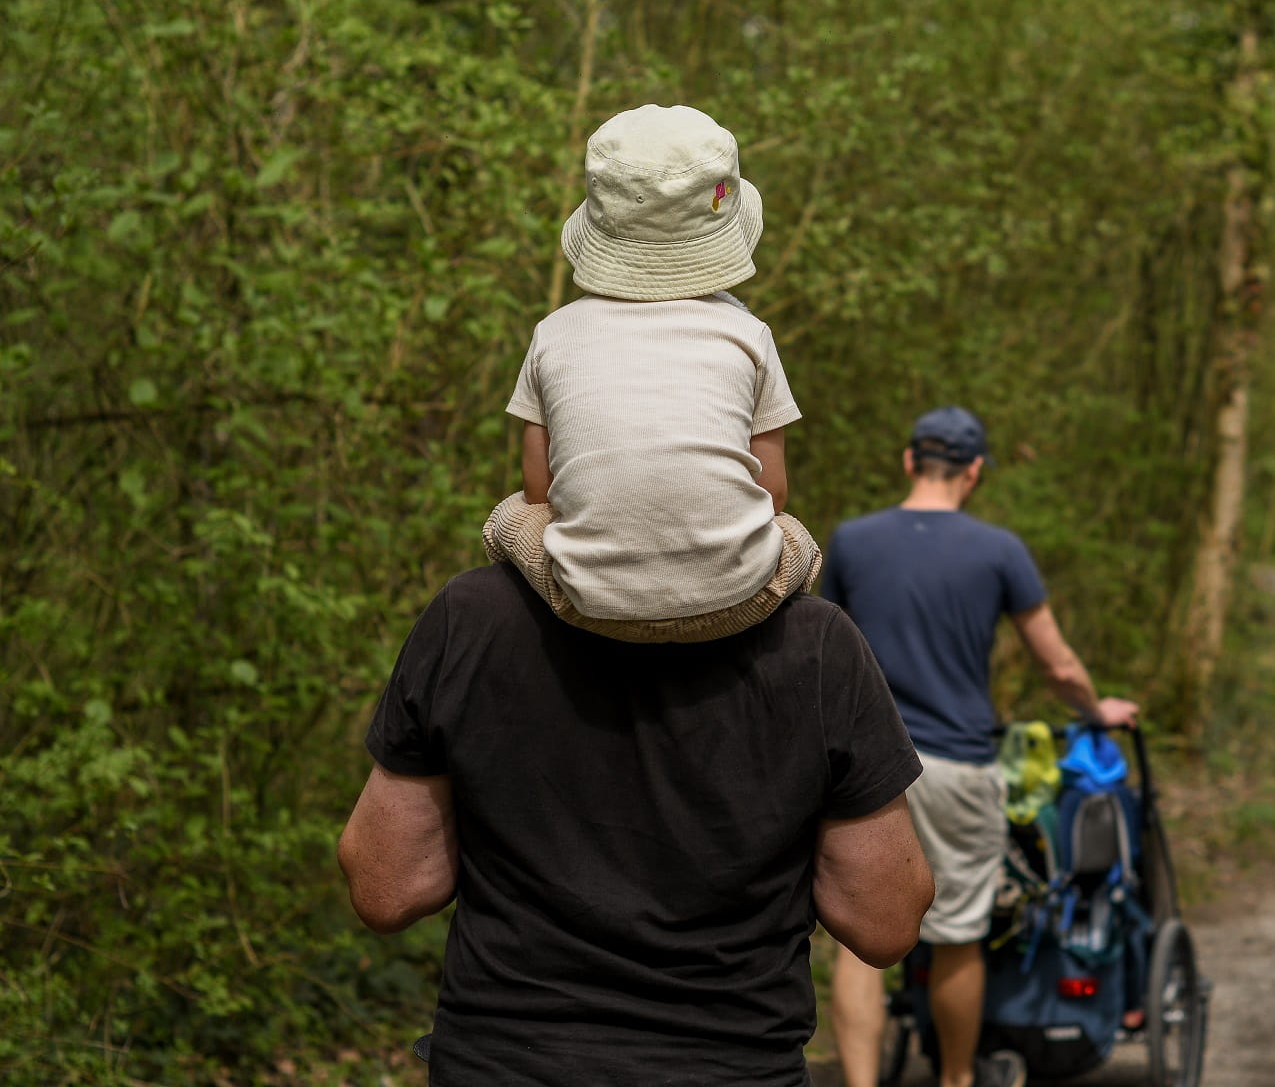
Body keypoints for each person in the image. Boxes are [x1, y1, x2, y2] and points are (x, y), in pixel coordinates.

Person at [337, 566, 935, 1085]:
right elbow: (882, 923)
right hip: (731, 1067)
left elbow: (389, 889)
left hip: (505, 1063)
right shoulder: (817, 642)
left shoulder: (471, 615)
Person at [820, 406, 1141, 1087]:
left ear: (909, 461)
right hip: (958, 765)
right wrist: (1096, 708)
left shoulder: (850, 542)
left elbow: (825, 649)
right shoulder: (999, 551)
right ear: (974, 472)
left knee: (859, 944)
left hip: (863, 769)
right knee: (958, 936)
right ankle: (957, 1080)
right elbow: (1056, 665)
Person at [483, 103, 819, 644]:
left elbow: (538, 488)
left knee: (507, 517)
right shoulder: (748, 333)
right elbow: (772, 492)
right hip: (738, 601)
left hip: (584, 601)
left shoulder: (554, 332)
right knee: (791, 533)